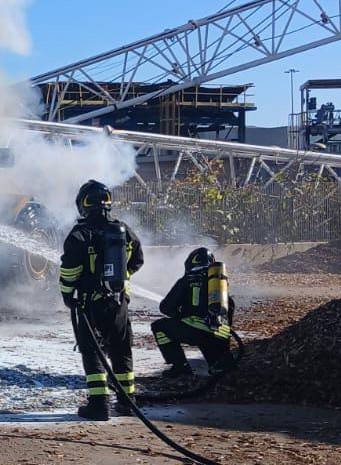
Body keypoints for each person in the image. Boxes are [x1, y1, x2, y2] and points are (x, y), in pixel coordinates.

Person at [59, 179, 144, 421]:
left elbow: (69, 272)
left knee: (92, 351)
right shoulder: (123, 230)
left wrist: (67, 295)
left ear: (82, 204)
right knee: (121, 349)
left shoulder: (79, 235)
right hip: (118, 302)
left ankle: (99, 405)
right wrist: (121, 278)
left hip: (90, 304)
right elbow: (137, 260)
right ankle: (128, 403)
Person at [150, 247, 237, 379]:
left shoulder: (186, 280)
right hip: (217, 337)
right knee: (220, 369)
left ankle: (180, 365)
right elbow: (228, 311)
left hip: (193, 333)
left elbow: (165, 308)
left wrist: (180, 313)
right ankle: (221, 362)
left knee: (158, 326)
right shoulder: (219, 285)